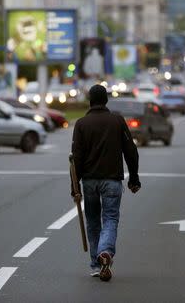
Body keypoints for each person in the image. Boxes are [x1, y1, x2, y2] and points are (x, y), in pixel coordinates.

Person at [71, 84, 141, 282]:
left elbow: (75, 158)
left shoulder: (82, 124)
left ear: (90, 101)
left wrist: (74, 187)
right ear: (106, 101)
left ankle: (95, 264)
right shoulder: (117, 121)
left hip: (89, 181)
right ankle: (106, 252)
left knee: (93, 221)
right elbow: (131, 151)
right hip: (112, 180)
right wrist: (134, 178)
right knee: (110, 218)